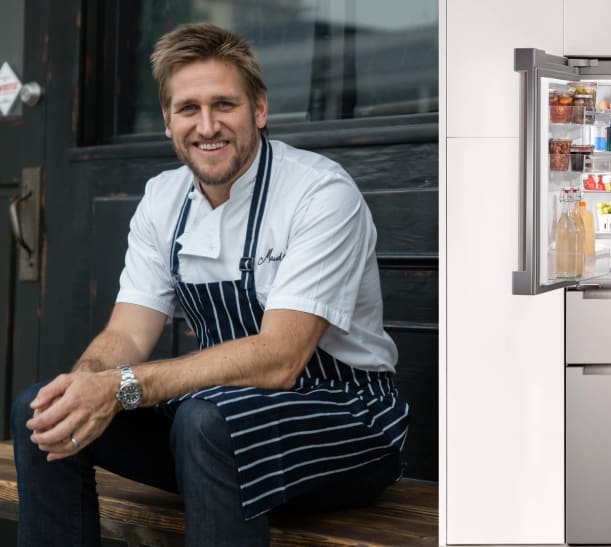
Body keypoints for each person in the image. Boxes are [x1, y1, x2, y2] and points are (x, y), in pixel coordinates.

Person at [11, 23, 409, 547]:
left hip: (347, 422)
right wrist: (88, 383)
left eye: (225, 104)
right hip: (217, 422)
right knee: (43, 408)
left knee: (206, 422)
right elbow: (128, 335)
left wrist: (124, 387)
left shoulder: (319, 193)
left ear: (259, 110)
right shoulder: (162, 199)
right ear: (168, 122)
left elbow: (280, 357)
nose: (207, 126)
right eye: (188, 109)